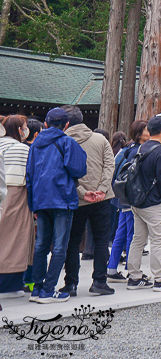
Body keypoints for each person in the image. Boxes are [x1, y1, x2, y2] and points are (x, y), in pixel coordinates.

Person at [25, 107, 88, 303]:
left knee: (41, 244)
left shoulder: (35, 145)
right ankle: (49, 289)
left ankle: (36, 288)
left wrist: (32, 203)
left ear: (45, 124)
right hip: (62, 199)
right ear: (66, 125)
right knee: (60, 246)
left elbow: (29, 175)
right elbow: (78, 169)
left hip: (41, 200)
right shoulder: (67, 142)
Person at [58, 105, 116, 297]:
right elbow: (110, 164)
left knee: (72, 242)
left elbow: (63, 172)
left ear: (65, 123)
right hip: (102, 198)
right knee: (101, 241)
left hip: (75, 199)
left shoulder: (62, 141)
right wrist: (101, 188)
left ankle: (71, 283)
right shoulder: (100, 139)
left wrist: (82, 192)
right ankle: (100, 281)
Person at [125, 113, 161, 293]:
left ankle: (134, 276)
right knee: (158, 240)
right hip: (154, 202)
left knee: (138, 239)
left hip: (138, 200)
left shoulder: (141, 148)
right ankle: (160, 278)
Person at [107, 120, 147, 282]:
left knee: (121, 233)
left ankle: (111, 268)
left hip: (122, 197)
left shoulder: (126, 149)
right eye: (146, 129)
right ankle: (132, 269)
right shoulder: (138, 150)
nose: (149, 131)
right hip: (132, 197)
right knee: (133, 234)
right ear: (139, 133)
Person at [0, 116, 33, 297]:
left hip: (3, 193)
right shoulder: (21, 148)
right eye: (24, 126)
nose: (25, 129)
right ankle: (9, 285)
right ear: (18, 130)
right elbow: (28, 176)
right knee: (14, 240)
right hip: (15, 195)